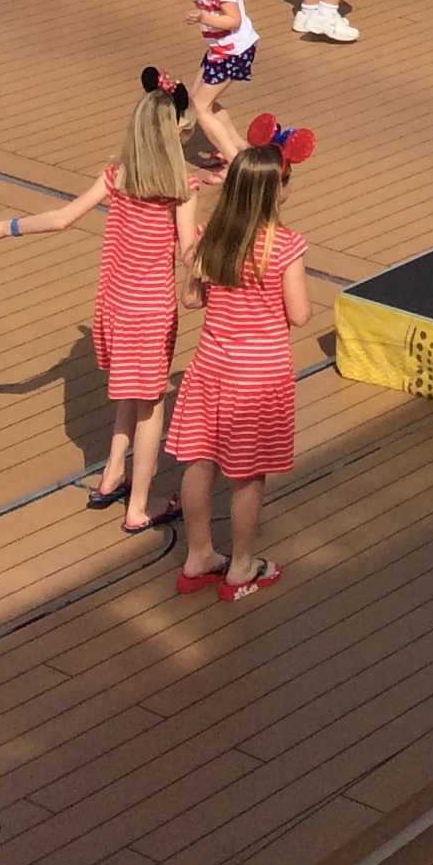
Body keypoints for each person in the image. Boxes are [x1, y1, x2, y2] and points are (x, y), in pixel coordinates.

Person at [0, 69, 201, 534]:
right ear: (176, 136)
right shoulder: (181, 189)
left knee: (129, 390)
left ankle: (112, 473)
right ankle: (141, 506)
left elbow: (62, 219)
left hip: (114, 307)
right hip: (150, 313)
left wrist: (7, 227)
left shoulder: (117, 176)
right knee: (151, 408)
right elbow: (188, 251)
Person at [169, 124, 311, 600]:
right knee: (248, 476)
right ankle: (242, 566)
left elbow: (192, 300)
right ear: (277, 190)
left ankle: (198, 556)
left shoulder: (213, 238)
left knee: (199, 461)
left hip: (210, 367)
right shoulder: (285, 246)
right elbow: (299, 314)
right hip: (259, 378)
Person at [183, 0, 261, 170]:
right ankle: (239, 147)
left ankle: (235, 163)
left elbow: (232, 20)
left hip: (231, 51)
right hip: (222, 49)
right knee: (202, 101)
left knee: (200, 108)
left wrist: (203, 16)